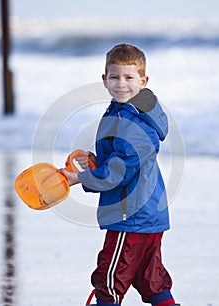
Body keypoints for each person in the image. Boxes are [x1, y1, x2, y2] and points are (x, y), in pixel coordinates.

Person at [61, 44, 179, 306]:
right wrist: (95, 162)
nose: (121, 84)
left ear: (143, 81)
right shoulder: (129, 110)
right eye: (114, 77)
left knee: (109, 278)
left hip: (131, 216)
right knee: (152, 279)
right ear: (104, 80)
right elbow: (120, 156)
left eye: (129, 78)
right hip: (147, 215)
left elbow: (121, 169)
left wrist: (78, 178)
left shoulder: (133, 120)